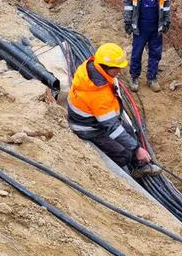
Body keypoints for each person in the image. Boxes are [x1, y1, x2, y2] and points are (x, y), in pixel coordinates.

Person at [68, 43, 161, 178]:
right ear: (107, 67)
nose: (120, 71)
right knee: (124, 154)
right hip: (88, 128)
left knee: (129, 131)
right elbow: (111, 127)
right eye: (117, 68)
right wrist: (136, 149)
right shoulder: (97, 94)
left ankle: (139, 163)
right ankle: (130, 169)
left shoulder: (94, 67)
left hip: (96, 119)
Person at [123, 0, 171, 92]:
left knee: (156, 53)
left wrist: (167, 21)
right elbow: (128, 2)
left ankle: (152, 78)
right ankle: (134, 77)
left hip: (156, 25)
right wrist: (127, 20)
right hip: (141, 25)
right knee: (137, 52)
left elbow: (166, 2)